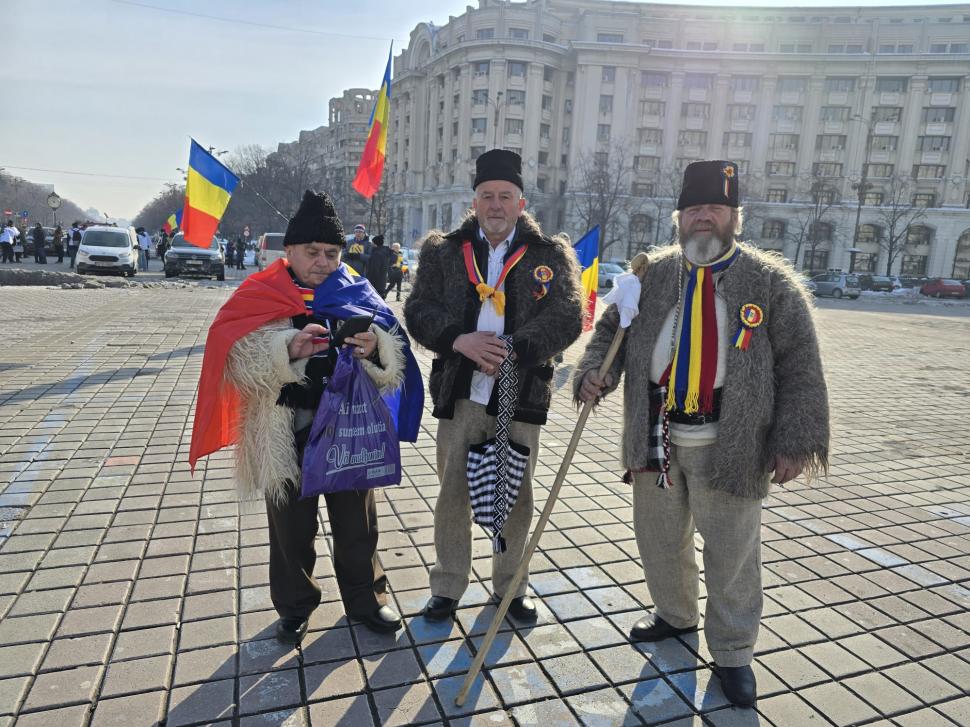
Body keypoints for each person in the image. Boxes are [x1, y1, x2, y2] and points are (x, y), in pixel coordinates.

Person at [575, 160, 830, 708]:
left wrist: (793, 443)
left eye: (716, 210)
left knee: (732, 554)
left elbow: (801, 367)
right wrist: (594, 373)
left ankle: (734, 653)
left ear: (735, 217)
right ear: (680, 218)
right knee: (659, 542)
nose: (704, 220)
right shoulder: (651, 274)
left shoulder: (770, 281)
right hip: (657, 434)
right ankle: (674, 616)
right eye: (694, 210)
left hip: (731, 440)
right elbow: (608, 337)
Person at [189, 190, 410, 644]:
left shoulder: (356, 288)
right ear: (289, 251)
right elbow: (232, 358)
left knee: (357, 525)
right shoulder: (258, 292)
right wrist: (285, 348)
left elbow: (395, 357)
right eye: (313, 252)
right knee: (290, 529)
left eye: (331, 252)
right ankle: (294, 605)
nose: (324, 261)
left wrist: (376, 348)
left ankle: (367, 599)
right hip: (281, 429)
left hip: (347, 428)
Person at [404, 149, 584, 623]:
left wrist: (516, 349)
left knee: (517, 494)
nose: (496, 205)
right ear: (475, 201)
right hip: (460, 393)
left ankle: (510, 588)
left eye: (506, 196)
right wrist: (458, 339)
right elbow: (418, 309)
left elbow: (568, 315)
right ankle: (447, 585)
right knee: (452, 494)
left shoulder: (549, 255)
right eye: (488, 196)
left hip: (520, 394)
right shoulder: (444, 251)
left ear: (521, 202)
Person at [365, 234, 393, 298]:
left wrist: (370, 282)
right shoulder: (385, 252)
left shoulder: (376, 254)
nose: (371, 244)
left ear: (375, 244)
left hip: (375, 284)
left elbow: (374, 271)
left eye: (372, 243)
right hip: (382, 282)